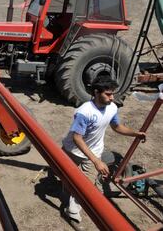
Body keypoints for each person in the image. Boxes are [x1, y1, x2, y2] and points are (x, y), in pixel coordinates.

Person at [61, 75, 146, 229]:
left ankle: (72, 210)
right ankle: (69, 203)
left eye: (112, 93)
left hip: (93, 151)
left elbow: (116, 127)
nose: (112, 97)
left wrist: (135, 133)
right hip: (72, 150)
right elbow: (77, 138)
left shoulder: (112, 108)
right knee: (74, 179)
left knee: (84, 182)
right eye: (108, 94)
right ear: (96, 92)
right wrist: (96, 161)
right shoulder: (85, 112)